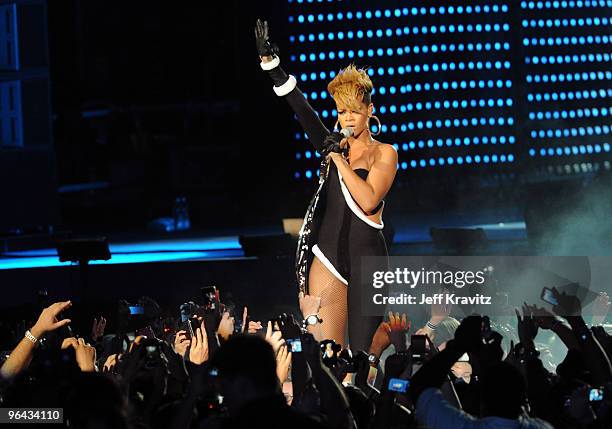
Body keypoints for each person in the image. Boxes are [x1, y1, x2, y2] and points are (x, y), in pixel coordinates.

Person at [255, 19, 398, 355]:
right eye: (341, 111)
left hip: (368, 260)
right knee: (329, 356)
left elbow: (369, 199)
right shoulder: (332, 145)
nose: (347, 118)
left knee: (362, 358)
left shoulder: (385, 153)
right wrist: (273, 68)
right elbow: (302, 110)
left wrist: (338, 160)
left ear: (370, 111)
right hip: (327, 257)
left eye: (354, 111)